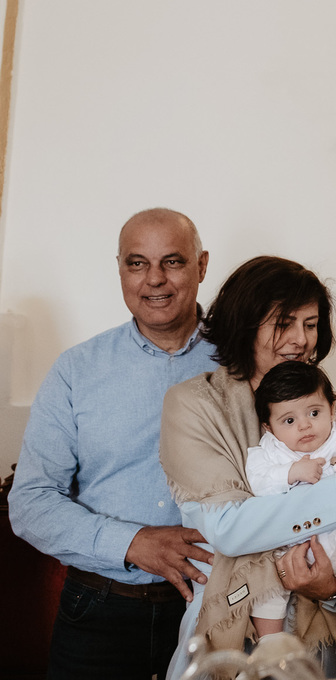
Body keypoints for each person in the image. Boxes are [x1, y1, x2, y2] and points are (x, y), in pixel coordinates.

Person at [9, 208, 217, 680]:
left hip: (218, 610)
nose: (155, 280)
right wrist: (133, 543)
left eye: (173, 262)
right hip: (98, 614)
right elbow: (30, 502)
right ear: (120, 269)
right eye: (137, 263)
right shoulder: (75, 371)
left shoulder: (247, 361)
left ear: (202, 266)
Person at [159, 256, 336, 679]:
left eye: (311, 323)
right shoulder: (194, 406)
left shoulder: (327, 409)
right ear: (245, 323)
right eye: (284, 322)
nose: (300, 339)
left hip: (321, 639)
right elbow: (227, 529)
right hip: (232, 630)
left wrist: (332, 590)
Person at [246, 361, 336, 643]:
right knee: (267, 586)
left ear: (332, 410)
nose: (305, 425)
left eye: (314, 412)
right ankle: (269, 646)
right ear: (268, 427)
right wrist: (290, 473)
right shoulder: (268, 452)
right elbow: (257, 482)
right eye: (289, 421)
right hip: (292, 544)